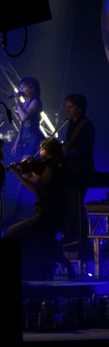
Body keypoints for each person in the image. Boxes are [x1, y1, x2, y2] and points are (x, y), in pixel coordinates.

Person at [7, 138, 68, 280]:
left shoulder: (51, 167)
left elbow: (36, 188)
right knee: (28, 238)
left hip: (46, 215)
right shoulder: (55, 166)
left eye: (42, 148)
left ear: (49, 150)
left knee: (11, 233)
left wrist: (18, 175)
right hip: (50, 214)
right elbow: (42, 183)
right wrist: (28, 175)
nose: (39, 152)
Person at [61, 94, 96, 260]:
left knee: (76, 205)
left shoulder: (86, 126)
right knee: (69, 205)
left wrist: (67, 152)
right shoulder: (71, 125)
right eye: (66, 107)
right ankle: (70, 236)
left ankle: (82, 239)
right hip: (71, 172)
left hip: (80, 172)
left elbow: (84, 150)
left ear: (80, 108)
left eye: (70, 107)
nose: (67, 110)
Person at [11, 77, 44, 159]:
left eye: (23, 87)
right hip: (24, 140)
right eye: (20, 88)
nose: (20, 90)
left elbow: (23, 117)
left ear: (31, 88)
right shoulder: (25, 103)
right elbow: (23, 125)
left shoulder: (35, 102)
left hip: (33, 140)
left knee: (25, 163)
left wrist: (17, 102)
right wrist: (16, 143)